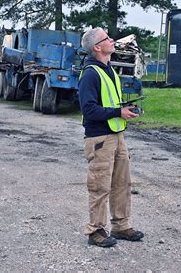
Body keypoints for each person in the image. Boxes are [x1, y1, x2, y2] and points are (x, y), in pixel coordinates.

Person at [78, 27, 144, 248]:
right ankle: (95, 231)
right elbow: (88, 110)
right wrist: (118, 112)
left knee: (121, 183)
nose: (112, 40)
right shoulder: (90, 74)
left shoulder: (109, 70)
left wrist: (125, 109)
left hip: (117, 135)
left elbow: (109, 104)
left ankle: (121, 226)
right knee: (99, 186)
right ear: (97, 47)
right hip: (100, 139)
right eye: (107, 38)